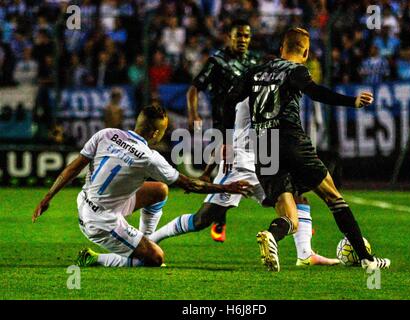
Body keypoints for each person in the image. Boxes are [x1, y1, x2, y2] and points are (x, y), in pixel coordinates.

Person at [226, 27, 391, 272]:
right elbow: (316, 92)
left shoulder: (255, 72)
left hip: (264, 147)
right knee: (334, 198)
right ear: (305, 52)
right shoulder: (296, 70)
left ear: (281, 48)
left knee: (290, 217)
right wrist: (351, 101)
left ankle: (272, 235)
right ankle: (367, 259)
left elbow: (229, 99)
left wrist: (227, 136)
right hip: (292, 141)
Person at [32, 105, 251, 268]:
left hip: (86, 203)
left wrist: (47, 197)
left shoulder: (106, 134)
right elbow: (189, 184)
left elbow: (72, 168)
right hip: (101, 222)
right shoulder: (149, 157)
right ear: (156, 133)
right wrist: (226, 188)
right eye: (163, 131)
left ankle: (145, 239)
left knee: (159, 190)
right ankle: (95, 258)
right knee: (155, 259)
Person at [148, 98, 340, 267]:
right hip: (239, 166)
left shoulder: (270, 99)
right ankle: (152, 239)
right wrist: (208, 172)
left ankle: (306, 254)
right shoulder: (248, 101)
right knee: (201, 220)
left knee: (298, 200)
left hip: (264, 163)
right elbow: (225, 135)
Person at [186, 19, 259, 242]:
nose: (243, 40)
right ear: (230, 36)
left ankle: (295, 215)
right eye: (239, 36)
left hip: (249, 125)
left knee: (237, 172)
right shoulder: (217, 61)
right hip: (225, 123)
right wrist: (193, 114)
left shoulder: (253, 62)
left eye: (247, 36)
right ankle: (215, 215)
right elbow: (194, 88)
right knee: (228, 170)